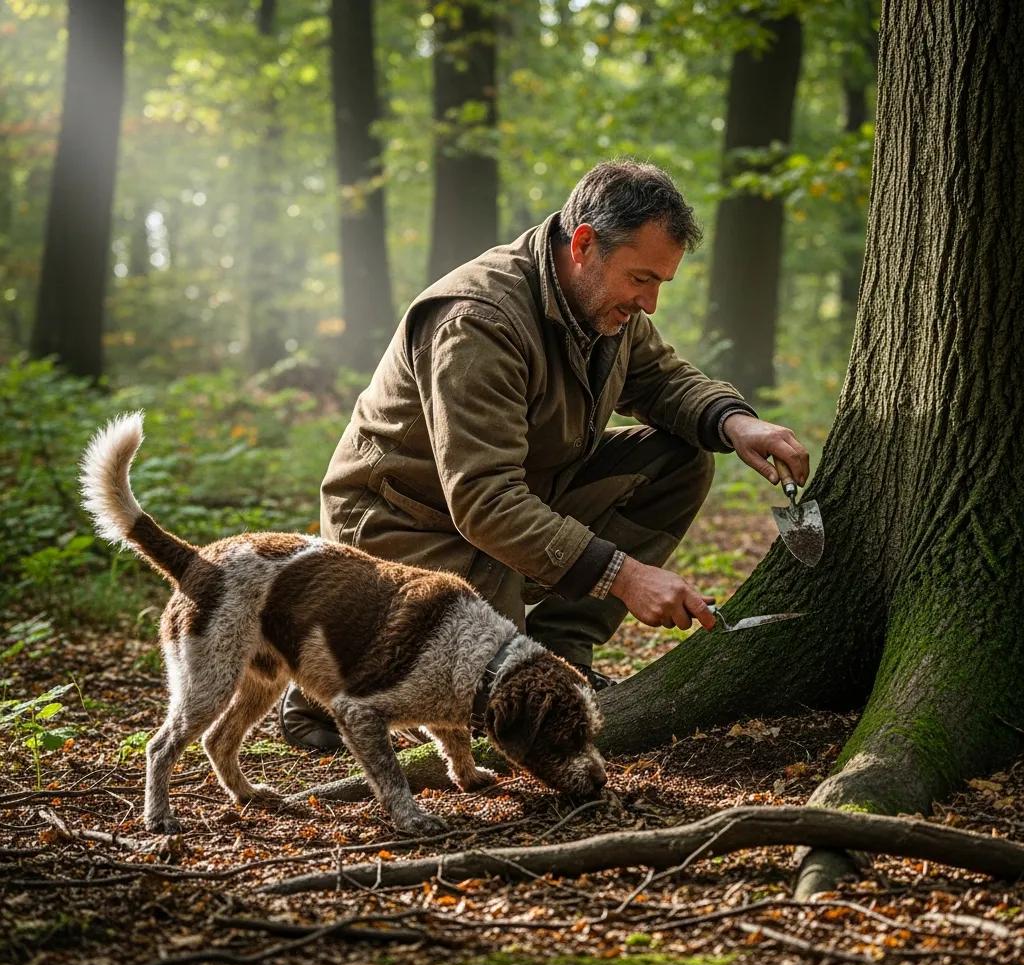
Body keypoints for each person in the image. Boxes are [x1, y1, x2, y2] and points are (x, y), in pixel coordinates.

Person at [279, 159, 809, 751]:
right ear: (584, 244)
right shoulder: (477, 322)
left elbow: (660, 380)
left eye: (661, 282)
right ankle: (323, 687)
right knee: (506, 695)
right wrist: (625, 577)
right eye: (642, 279)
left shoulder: (605, 305)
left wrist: (736, 424)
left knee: (680, 461)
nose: (651, 302)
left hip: (511, 500)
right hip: (405, 527)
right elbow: (484, 501)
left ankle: (563, 654)